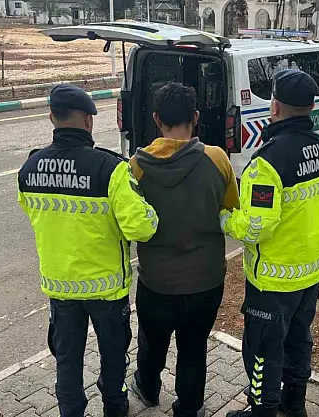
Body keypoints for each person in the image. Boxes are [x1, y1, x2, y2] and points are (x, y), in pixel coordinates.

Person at [17, 84, 159, 417]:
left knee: (67, 361)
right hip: (106, 289)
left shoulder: (30, 168)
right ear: (88, 120)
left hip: (60, 287)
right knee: (113, 357)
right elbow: (141, 228)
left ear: (52, 118)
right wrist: (150, 212)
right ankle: (114, 407)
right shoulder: (110, 169)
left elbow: (34, 214)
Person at [220, 70, 319, 417]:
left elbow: (257, 227)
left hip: (273, 279)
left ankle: (263, 409)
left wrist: (224, 218)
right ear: (311, 106)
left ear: (274, 106)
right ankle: (294, 404)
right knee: (298, 340)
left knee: (262, 350)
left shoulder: (267, 163)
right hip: (310, 271)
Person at [128, 82, 240, 417]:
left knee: (151, 342)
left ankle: (147, 389)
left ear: (156, 119)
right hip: (205, 280)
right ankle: (189, 407)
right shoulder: (217, 159)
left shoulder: (136, 166)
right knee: (193, 348)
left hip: (156, 282)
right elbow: (232, 209)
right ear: (195, 117)